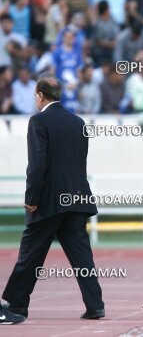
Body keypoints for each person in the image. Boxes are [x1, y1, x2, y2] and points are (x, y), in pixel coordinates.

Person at [1, 75, 104, 320]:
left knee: (30, 253)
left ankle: (15, 305)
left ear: (39, 95)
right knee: (81, 256)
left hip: (49, 200)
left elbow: (37, 164)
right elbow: (79, 162)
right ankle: (95, 305)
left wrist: (31, 197)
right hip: (77, 198)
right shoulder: (78, 122)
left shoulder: (38, 121)